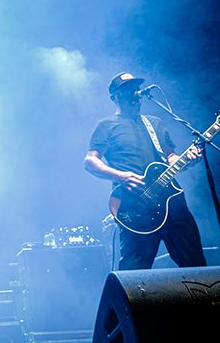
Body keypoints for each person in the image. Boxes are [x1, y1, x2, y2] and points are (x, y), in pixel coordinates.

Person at [84, 72, 206, 270]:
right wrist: (120, 176)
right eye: (127, 90)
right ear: (114, 97)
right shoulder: (107, 125)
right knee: (135, 272)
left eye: (136, 88)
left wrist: (188, 159)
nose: (134, 92)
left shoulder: (154, 123)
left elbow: (170, 156)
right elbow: (90, 161)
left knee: (195, 265)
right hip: (135, 205)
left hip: (172, 201)